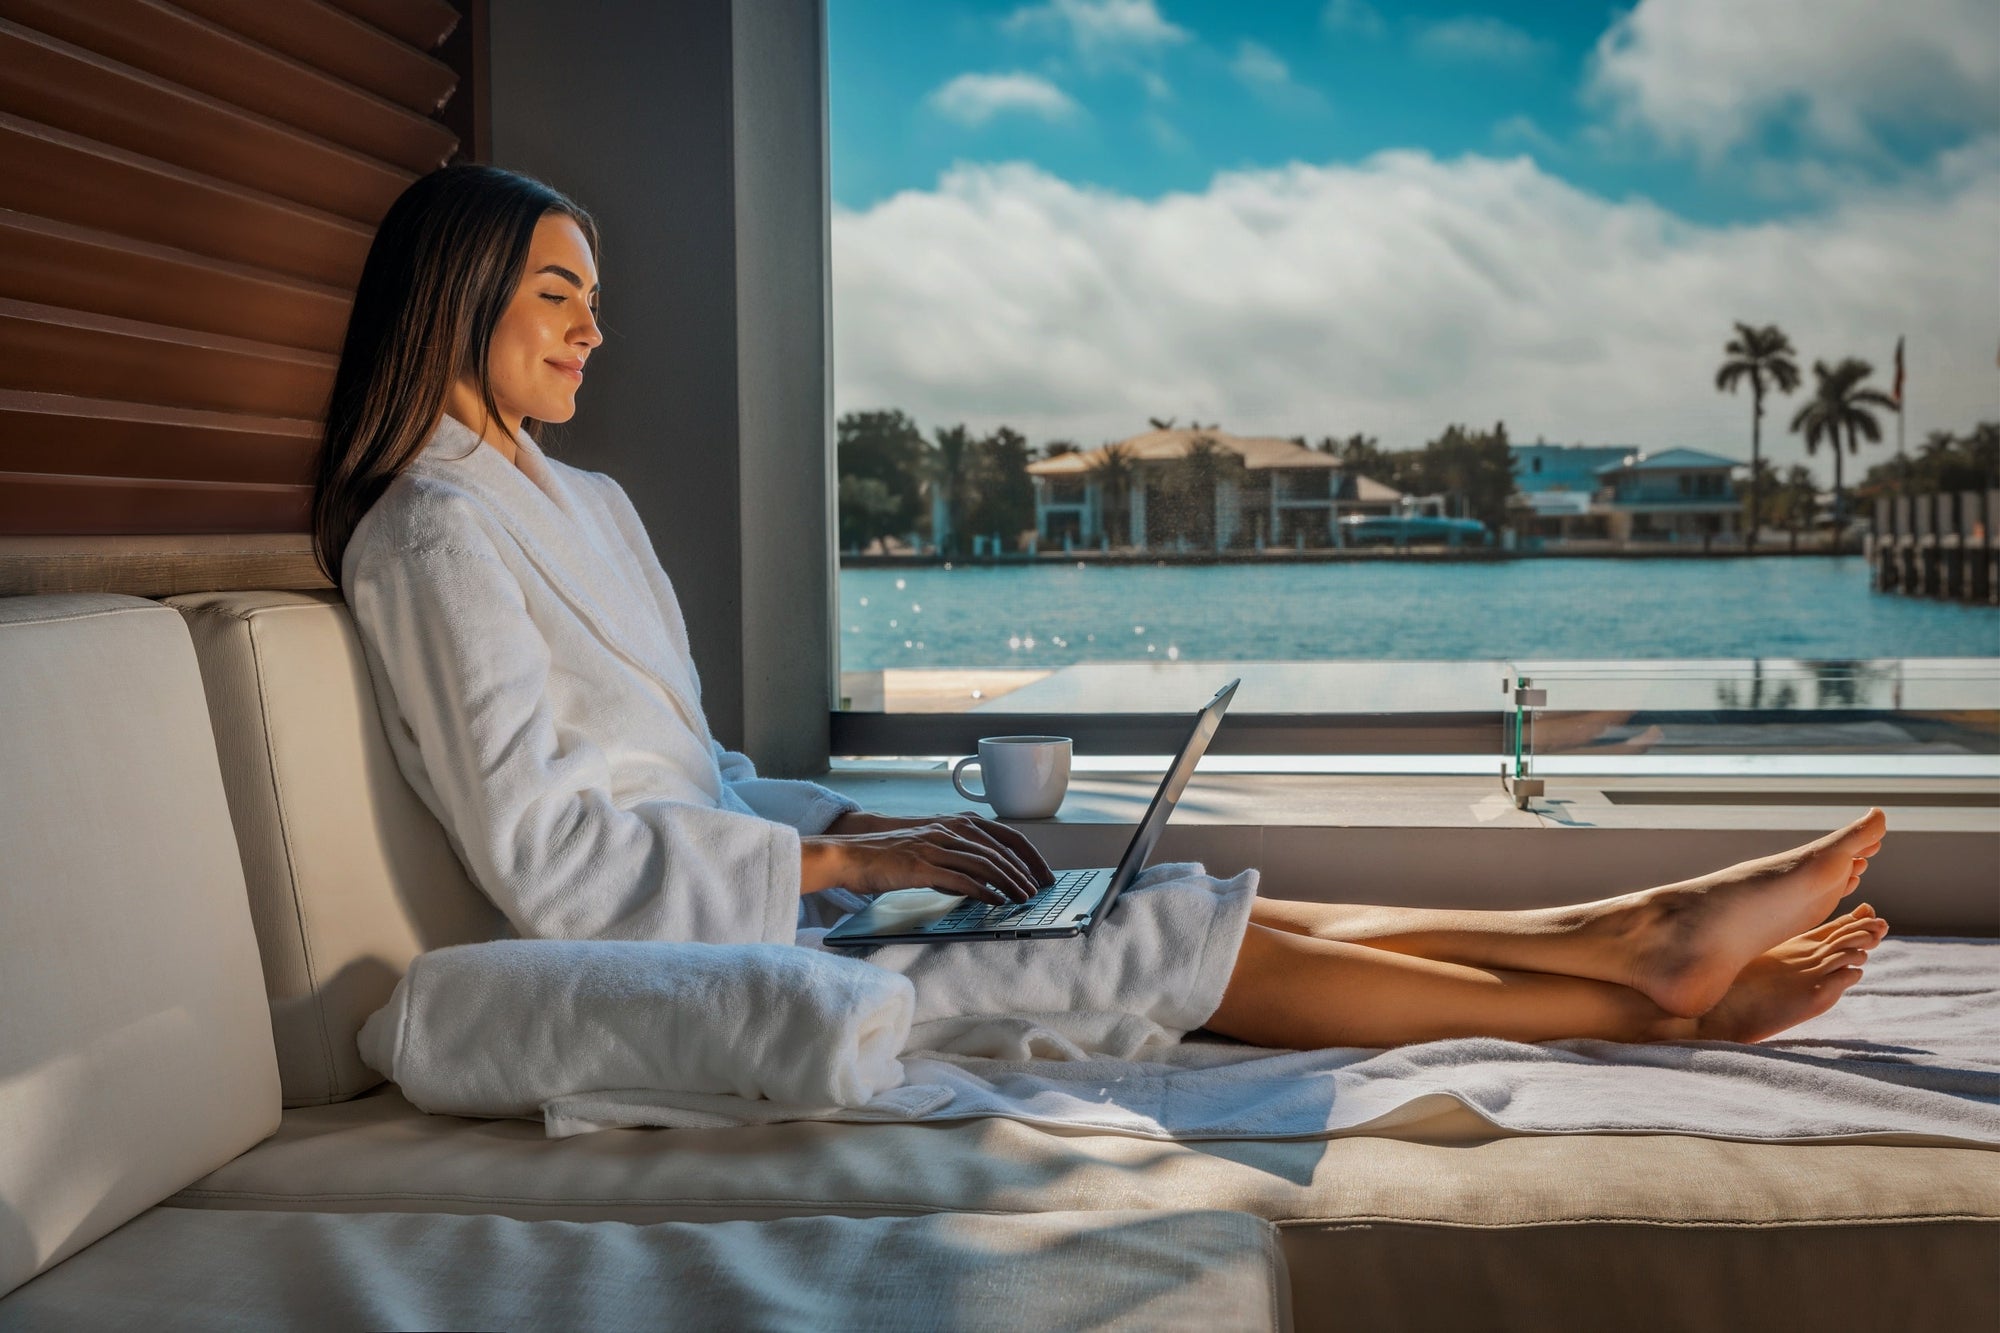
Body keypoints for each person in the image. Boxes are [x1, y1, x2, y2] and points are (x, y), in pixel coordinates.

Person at [316, 165, 1890, 1054]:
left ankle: (1624, 935)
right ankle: (1640, 991)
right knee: (1140, 938)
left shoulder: (585, 506)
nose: (599, 328)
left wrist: (855, 832)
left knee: (1146, 891)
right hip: (694, 957)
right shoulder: (430, 534)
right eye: (558, 295)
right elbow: (548, 857)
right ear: (456, 296)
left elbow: (695, 771)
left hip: (777, 891)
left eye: (596, 294)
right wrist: (845, 862)